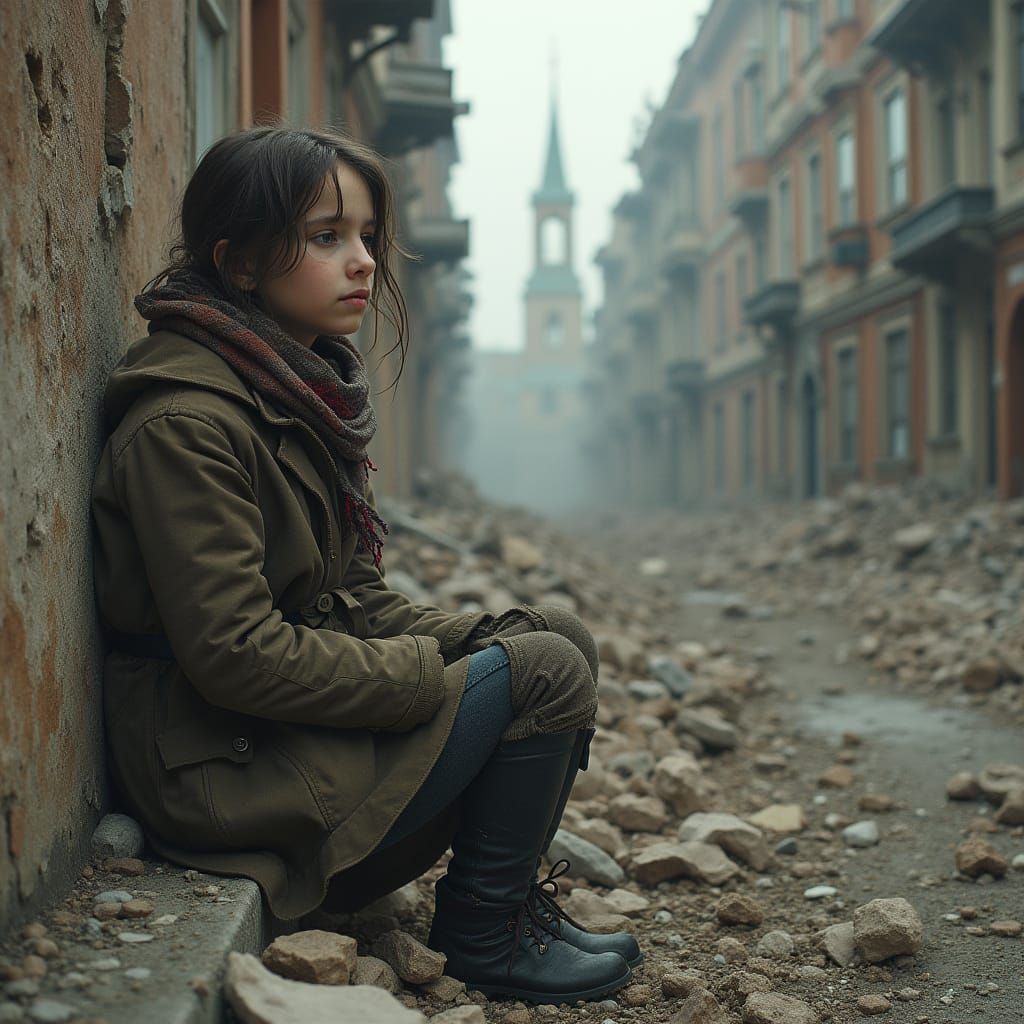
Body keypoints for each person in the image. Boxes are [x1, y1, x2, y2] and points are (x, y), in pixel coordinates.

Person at [89, 126, 642, 1004]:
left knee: (547, 637)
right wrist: (436, 676)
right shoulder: (188, 425)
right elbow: (235, 653)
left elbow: (354, 597)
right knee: (539, 671)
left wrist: (473, 638)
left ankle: (502, 909)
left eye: (368, 239)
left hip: (276, 735)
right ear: (237, 263)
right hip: (223, 773)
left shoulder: (293, 391)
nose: (363, 264)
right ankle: (483, 933)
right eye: (326, 237)